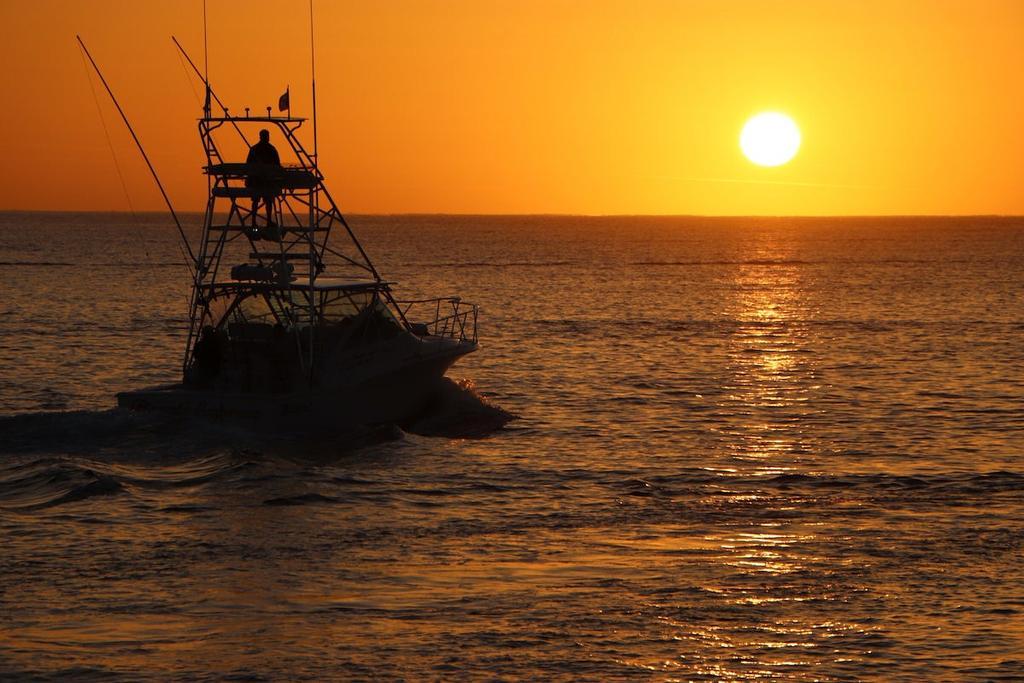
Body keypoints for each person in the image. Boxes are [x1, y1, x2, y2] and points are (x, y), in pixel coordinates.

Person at [245, 129, 282, 237]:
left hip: (256, 182)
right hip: (264, 182)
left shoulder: (254, 149)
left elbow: (247, 164)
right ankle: (267, 221)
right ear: (266, 137)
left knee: (258, 201)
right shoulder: (271, 149)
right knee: (268, 200)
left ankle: (255, 221)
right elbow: (277, 165)